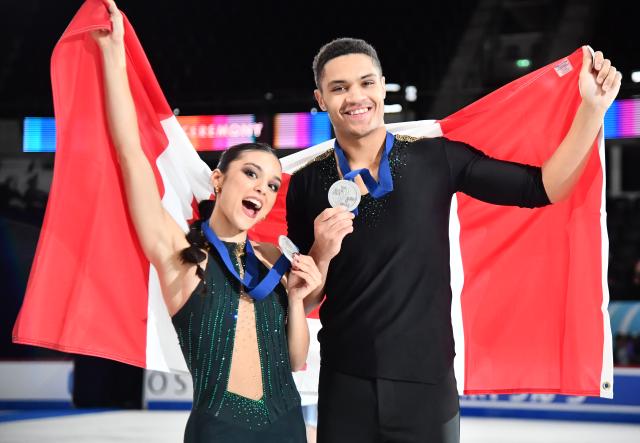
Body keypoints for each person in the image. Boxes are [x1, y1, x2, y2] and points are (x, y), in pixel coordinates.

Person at [286, 38, 621, 442]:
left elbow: (543, 189)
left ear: (381, 86)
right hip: (345, 386)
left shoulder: (435, 158)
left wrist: (592, 109)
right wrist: (321, 252)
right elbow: (305, 300)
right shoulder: (306, 183)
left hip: (426, 386)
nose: (355, 97)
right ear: (321, 98)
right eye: (339, 88)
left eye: (365, 83)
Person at [93, 2, 321, 442]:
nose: (261, 189)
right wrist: (112, 55)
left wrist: (295, 300)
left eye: (273, 185)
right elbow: (130, 155)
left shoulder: (273, 258)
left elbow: (294, 360)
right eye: (251, 174)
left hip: (289, 426)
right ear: (218, 180)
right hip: (218, 431)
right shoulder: (180, 253)